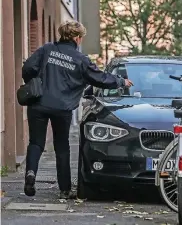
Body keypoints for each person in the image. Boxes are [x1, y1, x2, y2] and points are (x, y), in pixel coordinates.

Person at [21, 21, 133, 199]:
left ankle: (31, 173)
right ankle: (64, 190)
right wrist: (121, 81)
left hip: (38, 104)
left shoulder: (47, 49)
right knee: (62, 146)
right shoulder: (80, 59)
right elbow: (100, 78)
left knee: (36, 142)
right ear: (77, 38)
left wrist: (35, 81)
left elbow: (28, 68)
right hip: (62, 107)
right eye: (81, 37)